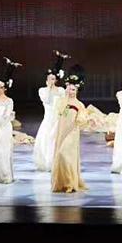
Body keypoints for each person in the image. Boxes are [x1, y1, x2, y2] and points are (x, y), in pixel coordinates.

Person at [51, 64, 88, 193]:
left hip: (72, 132)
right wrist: (65, 99)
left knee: (65, 154)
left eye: (73, 90)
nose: (70, 91)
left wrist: (81, 118)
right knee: (60, 154)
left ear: (77, 91)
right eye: (69, 88)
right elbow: (60, 112)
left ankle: (70, 183)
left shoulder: (79, 104)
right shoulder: (61, 101)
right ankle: (63, 182)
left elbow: (82, 120)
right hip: (62, 130)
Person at [34, 50, 69, 171]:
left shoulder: (61, 90)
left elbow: (66, 104)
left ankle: (57, 162)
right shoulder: (42, 90)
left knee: (57, 140)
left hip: (58, 118)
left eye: (53, 79)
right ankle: (48, 162)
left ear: (56, 80)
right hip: (48, 119)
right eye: (49, 78)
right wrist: (49, 88)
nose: (51, 81)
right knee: (47, 139)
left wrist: (66, 116)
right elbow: (47, 100)